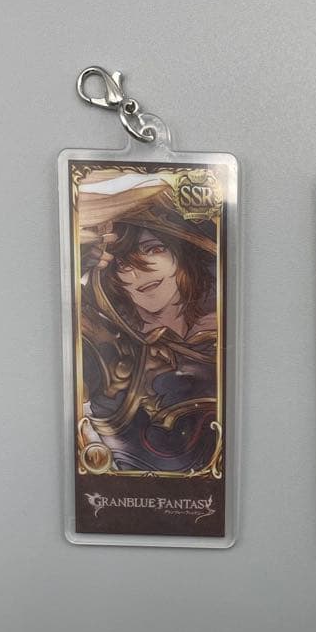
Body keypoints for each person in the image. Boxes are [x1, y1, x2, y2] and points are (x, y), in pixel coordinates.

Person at [76, 171, 219, 474]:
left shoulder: (221, 336)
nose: (137, 271)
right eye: (122, 263)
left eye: (154, 249)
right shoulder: (113, 345)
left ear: (182, 256)